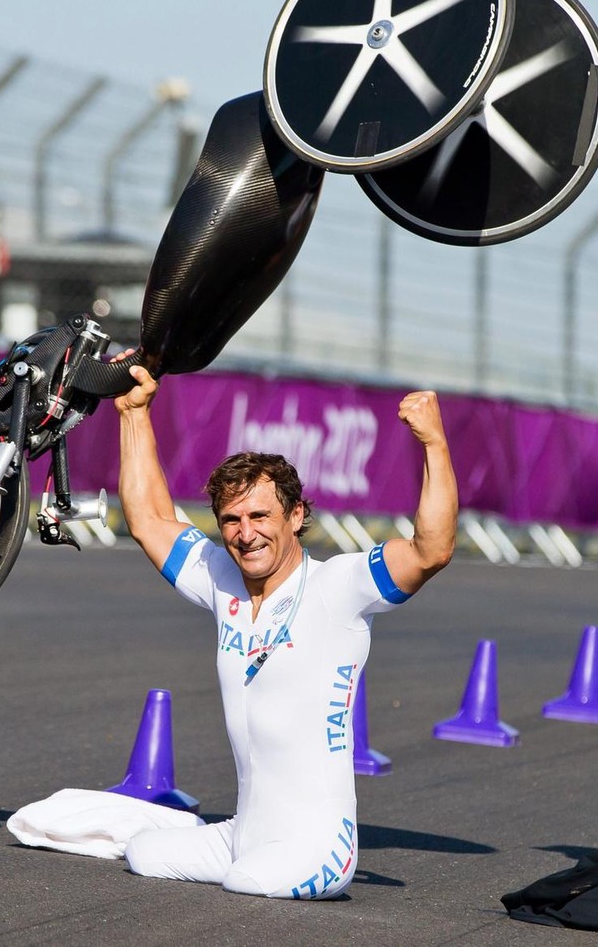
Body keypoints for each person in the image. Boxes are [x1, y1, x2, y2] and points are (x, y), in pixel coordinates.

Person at [114, 363, 458, 900]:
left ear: (296, 515)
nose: (245, 534)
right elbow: (149, 521)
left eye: (259, 515)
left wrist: (434, 443)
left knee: (246, 882)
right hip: (243, 835)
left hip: (320, 845)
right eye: (231, 520)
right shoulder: (222, 580)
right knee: (143, 853)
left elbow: (430, 551)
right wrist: (135, 414)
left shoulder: (337, 586)